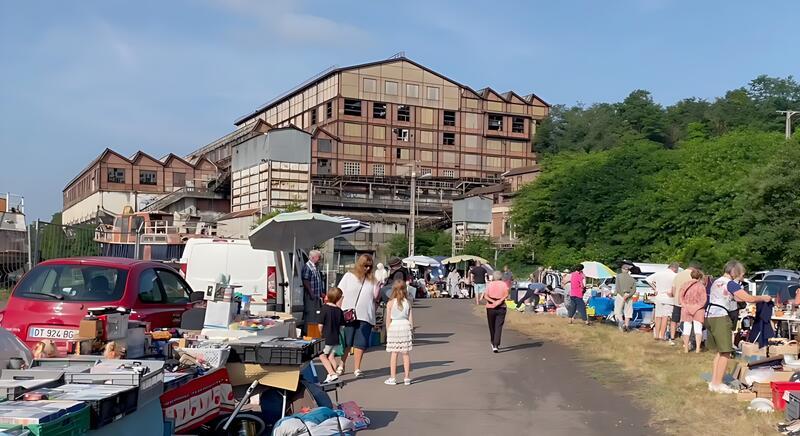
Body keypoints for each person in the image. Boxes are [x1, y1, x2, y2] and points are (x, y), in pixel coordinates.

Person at [707, 260, 770, 394]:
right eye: (741, 275)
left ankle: (714, 381)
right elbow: (749, 298)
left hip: (711, 316)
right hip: (721, 317)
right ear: (735, 272)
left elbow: (735, 298)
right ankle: (718, 384)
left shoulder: (717, 281)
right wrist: (763, 297)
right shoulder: (730, 283)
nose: (741, 278)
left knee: (719, 352)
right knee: (726, 352)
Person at [337, 254, 379, 378]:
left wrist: (379, 287)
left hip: (365, 314)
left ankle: (357, 368)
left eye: (370, 266)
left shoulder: (373, 280)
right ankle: (341, 364)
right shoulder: (349, 276)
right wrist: (337, 311)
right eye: (365, 265)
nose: (367, 268)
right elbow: (340, 293)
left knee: (360, 343)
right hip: (348, 314)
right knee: (347, 342)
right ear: (360, 265)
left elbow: (376, 298)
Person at [384, 280, 414, 386]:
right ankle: (407, 377)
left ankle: (393, 377)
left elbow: (388, 320)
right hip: (405, 326)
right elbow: (410, 320)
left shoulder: (390, 303)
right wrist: (411, 330)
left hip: (394, 327)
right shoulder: (408, 302)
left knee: (394, 353)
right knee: (405, 353)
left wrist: (387, 332)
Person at [647, 263, 679, 344]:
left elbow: (648, 279)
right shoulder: (675, 275)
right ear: (674, 269)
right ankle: (662, 335)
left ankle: (656, 335)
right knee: (665, 317)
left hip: (659, 296)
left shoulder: (659, 273)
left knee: (658, 316)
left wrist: (655, 288)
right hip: (668, 298)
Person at [319, 287, 345, 383]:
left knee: (322, 356)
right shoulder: (339, 311)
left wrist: (319, 334)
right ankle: (331, 376)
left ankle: (332, 373)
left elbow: (320, 325)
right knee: (331, 357)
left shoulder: (324, 308)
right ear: (338, 299)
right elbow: (342, 327)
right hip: (336, 338)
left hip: (326, 337)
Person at [679, 268, 707, 354]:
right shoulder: (701, 286)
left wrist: (685, 305)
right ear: (699, 277)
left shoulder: (685, 285)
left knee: (686, 329)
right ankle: (698, 348)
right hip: (698, 310)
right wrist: (696, 307)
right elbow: (704, 300)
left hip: (686, 308)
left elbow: (680, 297)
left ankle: (686, 348)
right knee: (698, 329)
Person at [483, 270, 510, 352]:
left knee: (491, 326)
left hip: (490, 306)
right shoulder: (504, 284)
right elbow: (506, 294)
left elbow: (485, 296)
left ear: (493, 277)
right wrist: (499, 301)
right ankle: (496, 344)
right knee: (498, 326)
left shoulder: (489, 284)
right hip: (501, 306)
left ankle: (493, 341)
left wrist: (493, 302)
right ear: (501, 276)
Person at [301, 250, 326, 335]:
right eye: (319, 257)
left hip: (316, 296)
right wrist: (311, 292)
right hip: (310, 296)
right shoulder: (308, 267)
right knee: (311, 316)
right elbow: (306, 280)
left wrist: (321, 293)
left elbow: (318, 281)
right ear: (313, 257)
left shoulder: (315, 267)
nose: (320, 259)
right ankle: (308, 333)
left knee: (315, 316)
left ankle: (314, 333)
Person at [614, 262, 636, 332]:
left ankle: (621, 324)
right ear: (628, 270)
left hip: (621, 295)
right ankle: (627, 325)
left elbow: (617, 287)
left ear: (622, 269)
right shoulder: (632, 278)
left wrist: (623, 295)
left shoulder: (618, 276)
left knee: (618, 311)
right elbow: (634, 290)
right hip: (629, 295)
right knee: (628, 311)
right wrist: (628, 295)